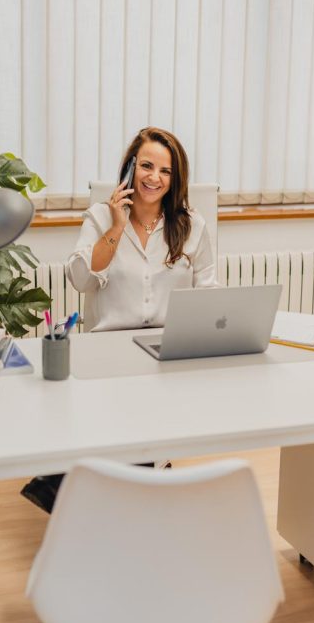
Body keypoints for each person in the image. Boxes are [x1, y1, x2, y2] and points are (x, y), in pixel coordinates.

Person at [20, 126, 216, 513]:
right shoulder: (99, 217)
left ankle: (68, 486)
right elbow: (80, 280)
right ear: (130, 168)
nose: (154, 178)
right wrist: (116, 227)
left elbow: (209, 293)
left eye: (165, 171)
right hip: (108, 349)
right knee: (120, 407)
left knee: (137, 405)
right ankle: (119, 490)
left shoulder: (193, 226)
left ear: (176, 179)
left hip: (164, 349)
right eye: (146, 166)